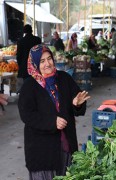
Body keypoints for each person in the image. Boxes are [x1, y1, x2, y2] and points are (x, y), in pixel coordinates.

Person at [18, 44, 90, 179]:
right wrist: (52, 122)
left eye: (49, 58)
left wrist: (77, 104)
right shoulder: (29, 86)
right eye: (42, 61)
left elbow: (78, 101)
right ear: (34, 63)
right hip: (42, 150)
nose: (47, 64)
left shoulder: (64, 78)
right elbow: (27, 115)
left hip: (66, 145)